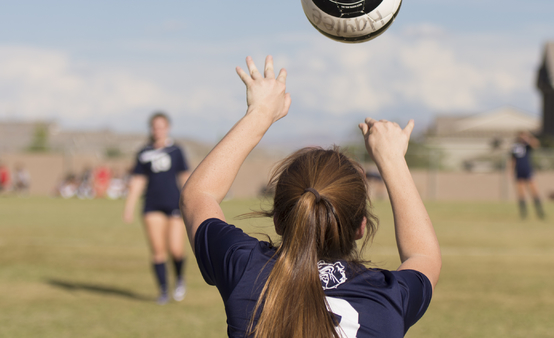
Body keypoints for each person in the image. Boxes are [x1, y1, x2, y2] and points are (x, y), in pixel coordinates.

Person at [181, 56, 441, 338]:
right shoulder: (387, 298)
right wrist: (392, 160)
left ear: (280, 221)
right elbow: (423, 256)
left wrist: (260, 113)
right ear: (360, 227)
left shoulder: (245, 269)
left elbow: (198, 195)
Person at [123, 112, 190, 304]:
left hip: (174, 205)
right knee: (158, 249)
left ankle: (179, 279)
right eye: (155, 126)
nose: (158, 130)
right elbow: (137, 181)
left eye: (161, 126)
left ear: (167, 128)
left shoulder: (176, 150)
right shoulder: (144, 153)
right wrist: (129, 207)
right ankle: (162, 291)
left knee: (176, 249)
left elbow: (185, 177)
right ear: (151, 129)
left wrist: (192, 202)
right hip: (152, 205)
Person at [511, 131, 545, 219]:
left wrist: (529, 137)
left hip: (528, 170)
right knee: (521, 193)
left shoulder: (528, 145)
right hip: (519, 171)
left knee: (534, 192)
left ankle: (540, 212)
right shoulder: (515, 146)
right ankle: (523, 214)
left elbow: (536, 144)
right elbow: (512, 159)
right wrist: (511, 171)